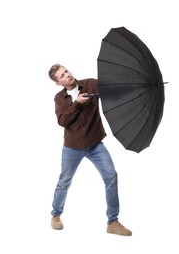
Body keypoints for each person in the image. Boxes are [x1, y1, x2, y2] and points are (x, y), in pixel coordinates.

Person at [48, 64, 132, 236]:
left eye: (66, 71)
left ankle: (113, 222)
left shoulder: (91, 84)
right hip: (73, 147)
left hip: (95, 144)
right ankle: (56, 215)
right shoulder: (59, 98)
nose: (67, 75)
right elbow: (62, 121)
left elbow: (111, 90)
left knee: (111, 176)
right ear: (58, 83)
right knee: (64, 181)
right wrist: (77, 104)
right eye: (62, 76)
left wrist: (131, 86)